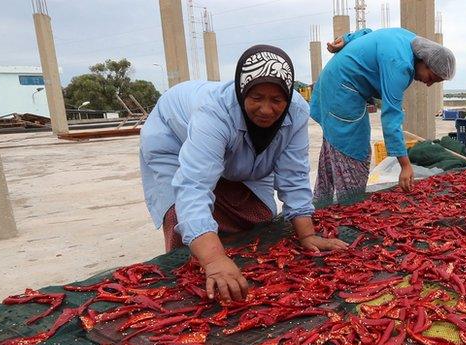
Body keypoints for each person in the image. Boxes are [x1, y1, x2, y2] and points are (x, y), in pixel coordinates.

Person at [139, 45, 345, 302]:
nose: (267, 110)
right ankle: (198, 268)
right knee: (180, 213)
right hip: (174, 139)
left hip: (237, 153)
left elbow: (293, 173)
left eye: (277, 100)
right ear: (242, 91)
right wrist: (214, 259)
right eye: (256, 97)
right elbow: (194, 185)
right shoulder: (214, 112)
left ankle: (216, 249)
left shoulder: (296, 111)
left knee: (258, 213)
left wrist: (307, 234)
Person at [310, 28, 456, 206]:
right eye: (431, 77)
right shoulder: (399, 64)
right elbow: (391, 117)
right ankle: (349, 209)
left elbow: (368, 33)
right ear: (424, 61)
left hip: (332, 83)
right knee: (353, 154)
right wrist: (405, 165)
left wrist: (347, 39)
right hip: (342, 92)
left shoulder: (408, 39)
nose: (429, 84)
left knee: (333, 148)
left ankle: (319, 207)